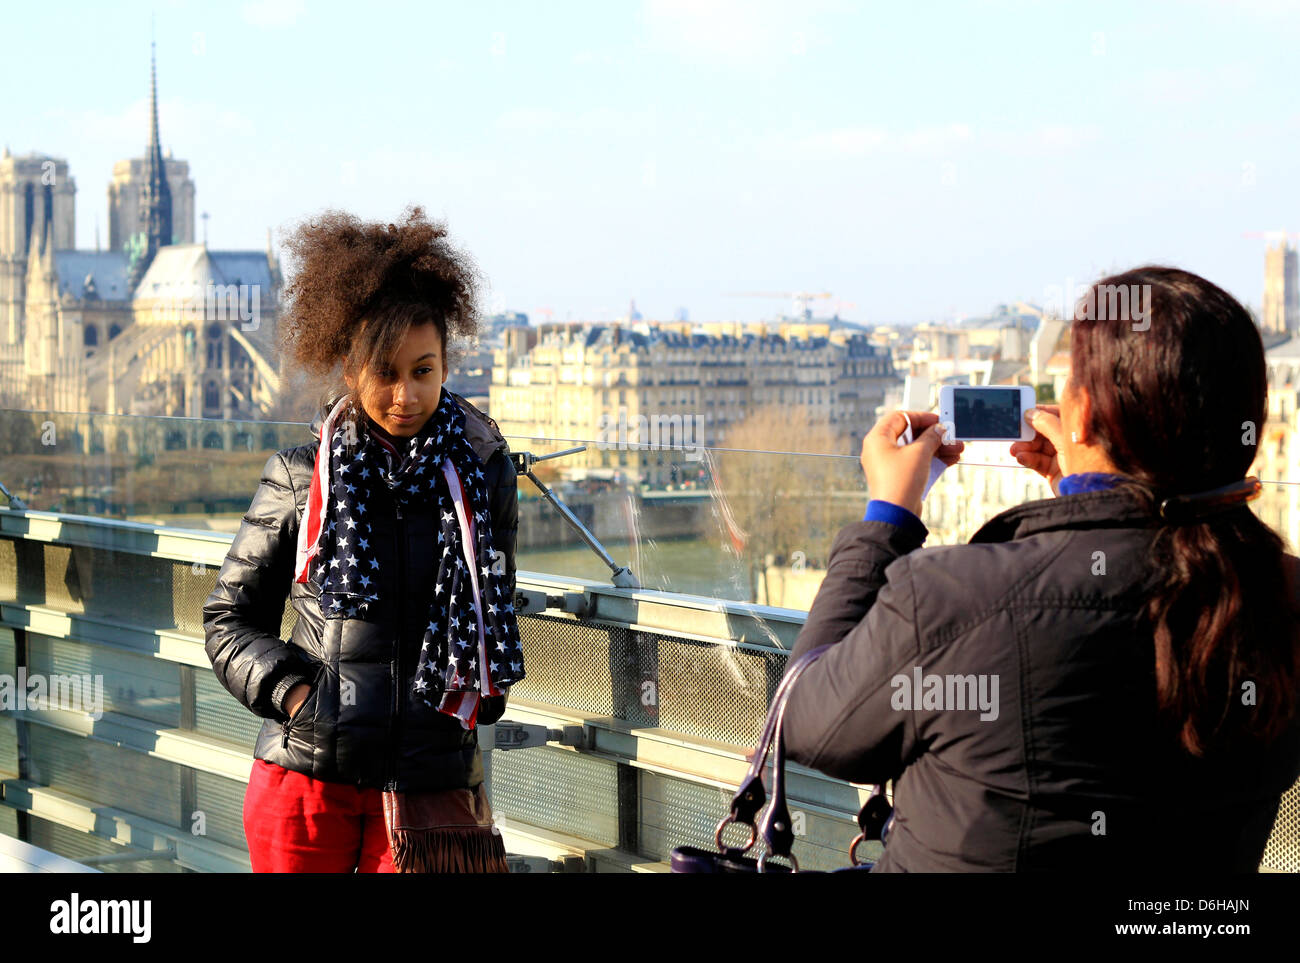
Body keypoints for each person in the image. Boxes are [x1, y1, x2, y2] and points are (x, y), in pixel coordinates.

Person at [784, 265, 1300, 871]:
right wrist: (1093, 508)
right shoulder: (1279, 597)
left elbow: (807, 720)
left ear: (1078, 415)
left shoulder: (955, 596)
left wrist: (886, 519)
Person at [203, 207, 521, 872]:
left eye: (425, 370)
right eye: (386, 371)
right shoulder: (300, 476)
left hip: (431, 784)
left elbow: (497, 612)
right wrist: (296, 695)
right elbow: (228, 620)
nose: (407, 394)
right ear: (349, 368)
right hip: (307, 776)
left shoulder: (486, 473)